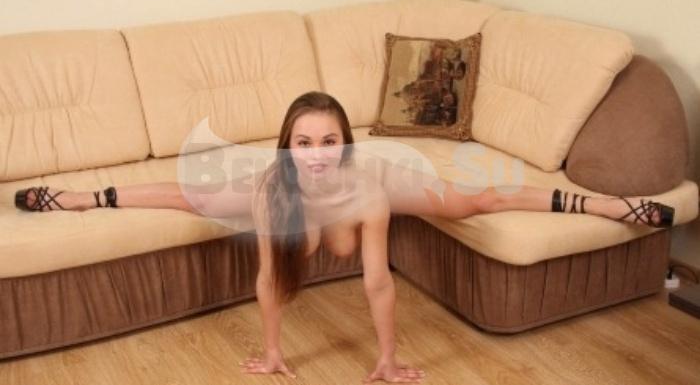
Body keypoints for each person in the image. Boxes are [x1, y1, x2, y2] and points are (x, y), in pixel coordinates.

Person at [13, 91, 675, 382]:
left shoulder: (367, 184)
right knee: (193, 195)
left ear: (346, 144)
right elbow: (270, 277)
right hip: (284, 198)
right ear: (287, 147)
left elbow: (377, 283)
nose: (318, 152)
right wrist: (273, 350)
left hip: (375, 188)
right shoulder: (272, 187)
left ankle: (614, 205)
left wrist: (387, 358)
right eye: (304, 142)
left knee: (477, 198)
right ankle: (79, 196)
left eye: (329, 140)